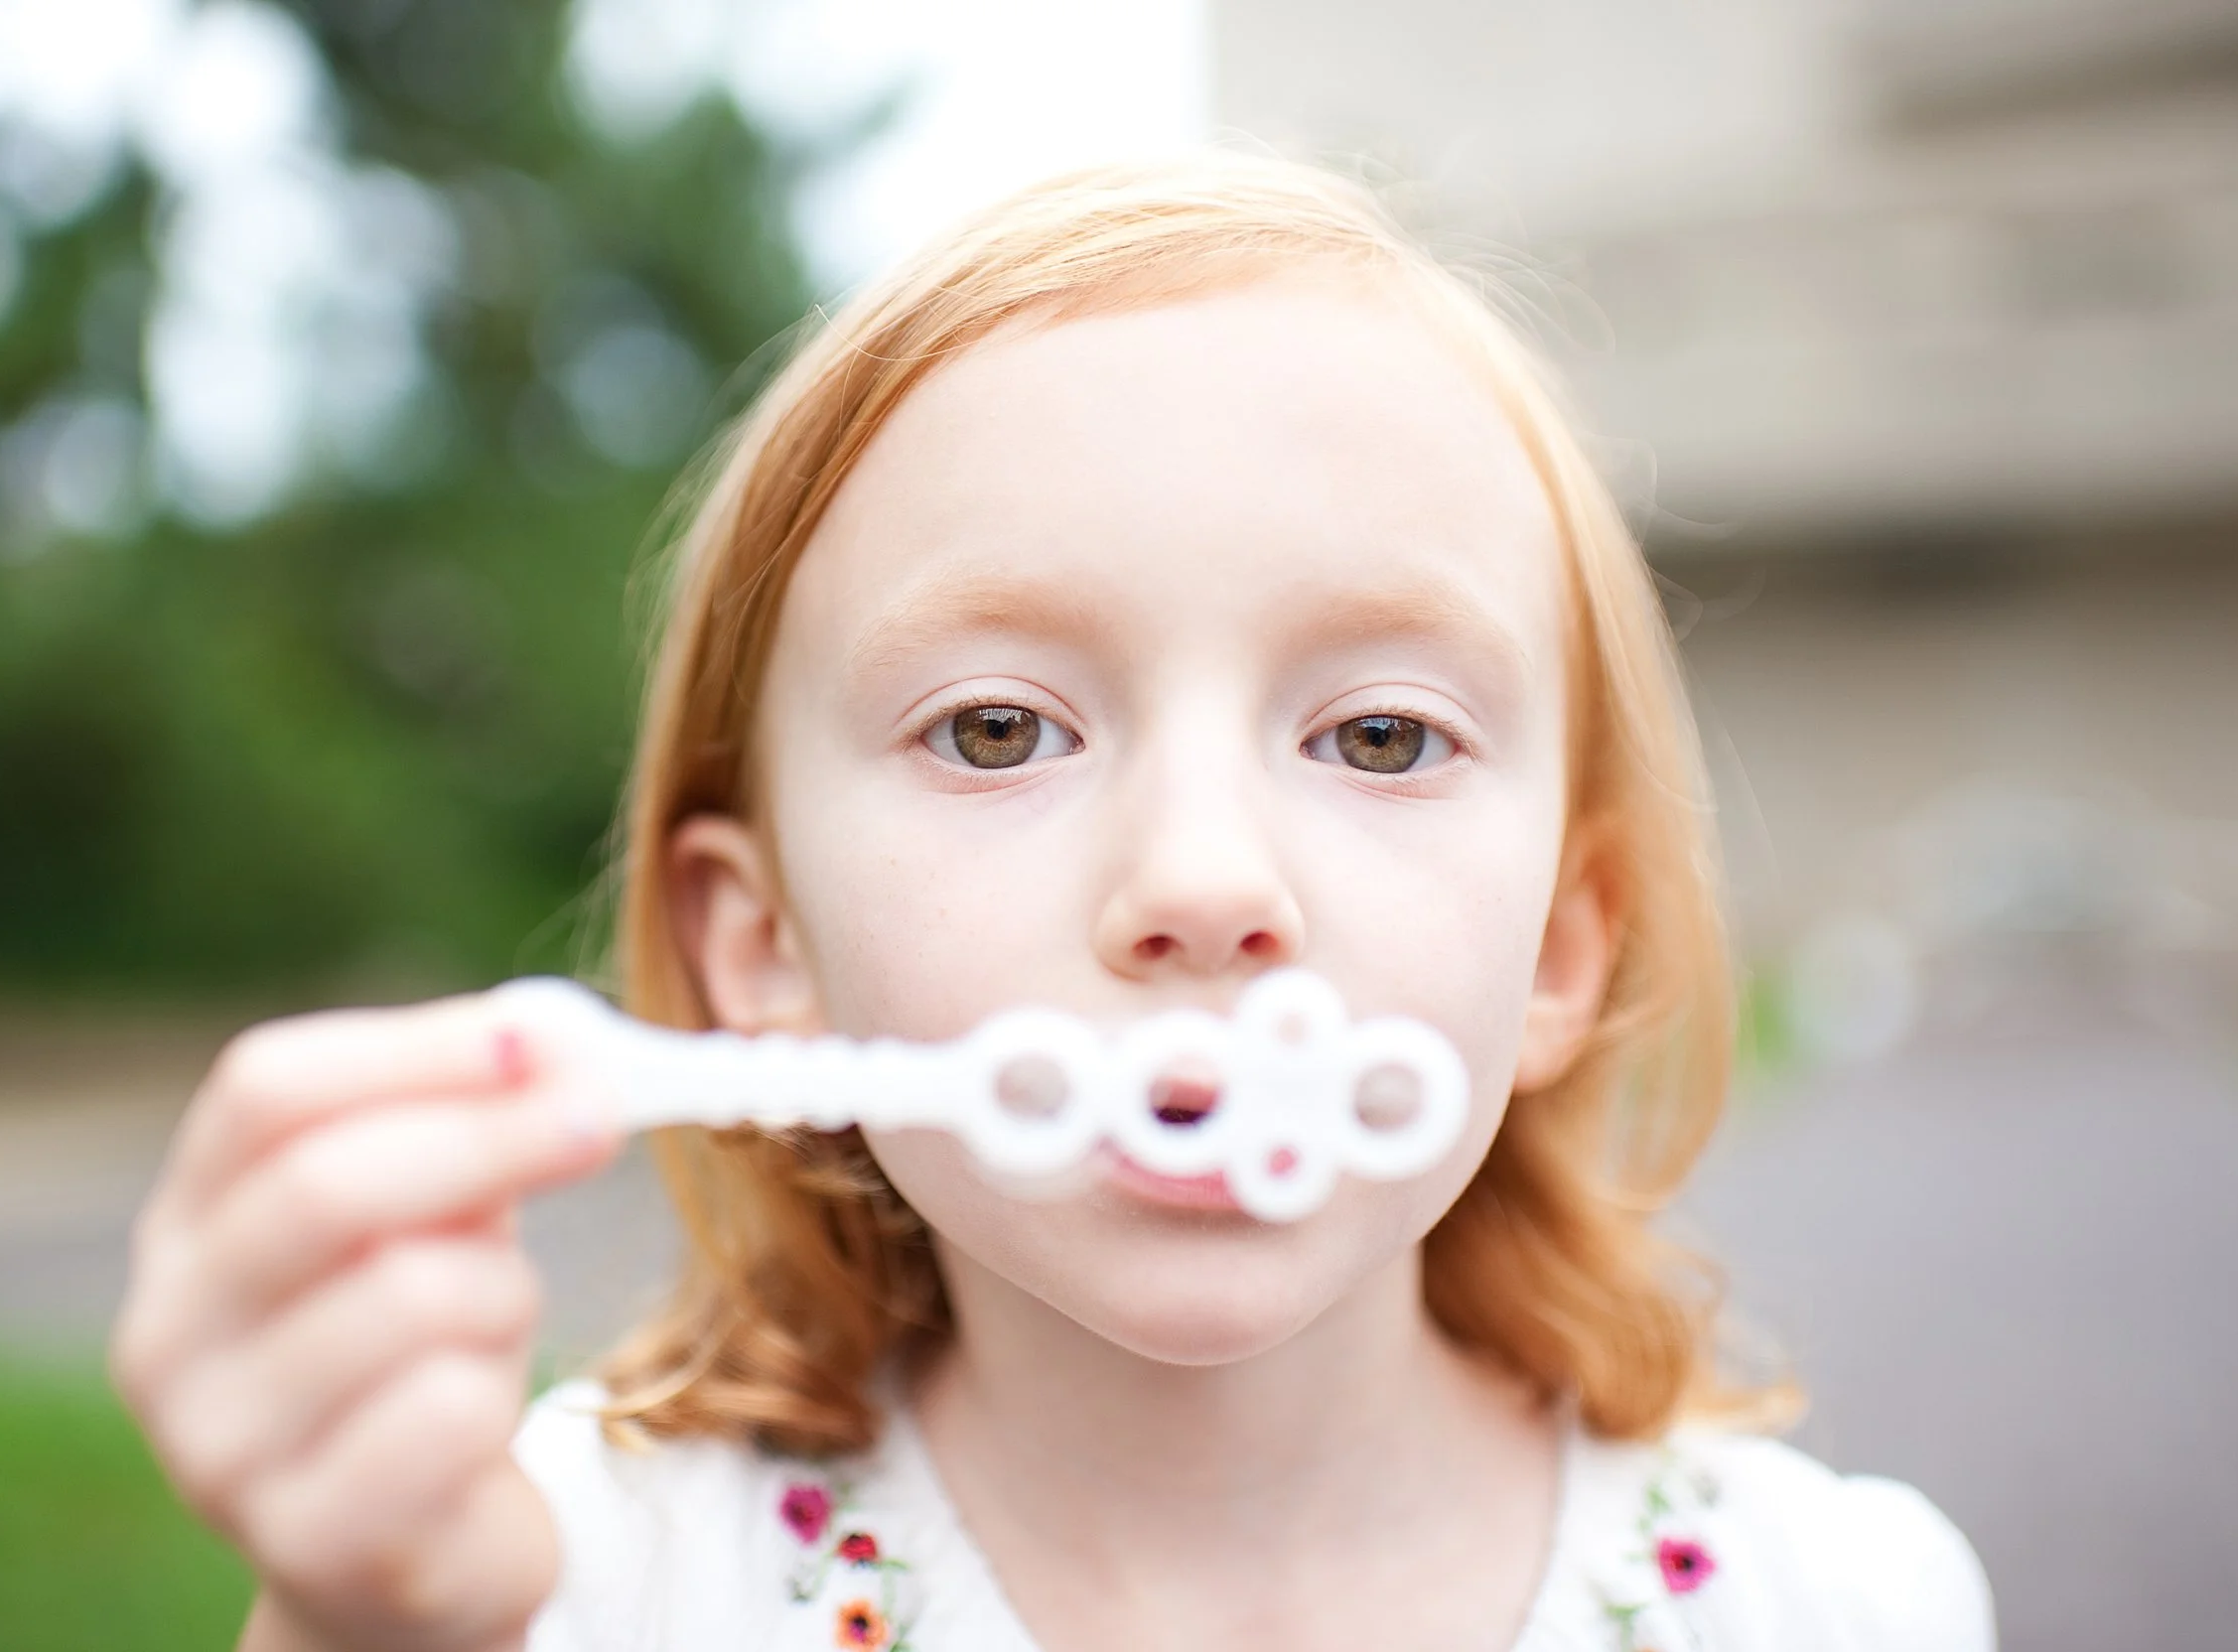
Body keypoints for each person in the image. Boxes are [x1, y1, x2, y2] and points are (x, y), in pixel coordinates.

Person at [111, 153, 1995, 1652]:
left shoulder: (1832, 1612)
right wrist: (363, 1634)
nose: (1199, 882)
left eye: (1385, 738)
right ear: (758, 946)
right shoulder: (562, 1591)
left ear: (1562, 955)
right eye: (1000, 727)